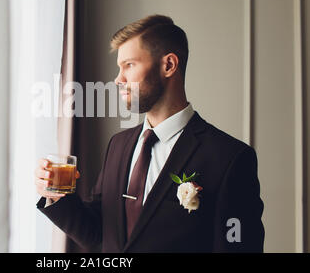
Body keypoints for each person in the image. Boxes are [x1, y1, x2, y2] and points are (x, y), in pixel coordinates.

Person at [34, 14, 265, 252]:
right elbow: (97, 233)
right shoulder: (118, 145)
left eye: (129, 66)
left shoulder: (229, 158)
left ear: (169, 65)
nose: (118, 79)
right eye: (119, 67)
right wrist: (56, 195)